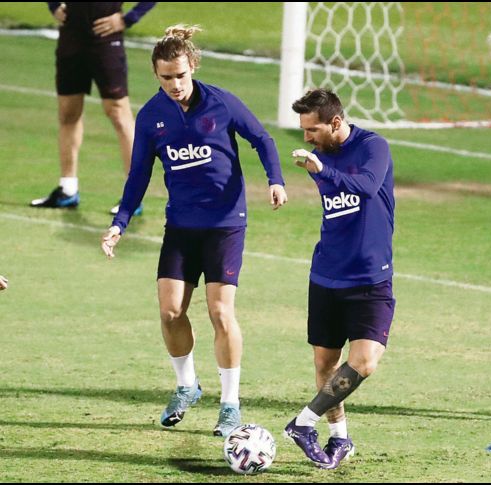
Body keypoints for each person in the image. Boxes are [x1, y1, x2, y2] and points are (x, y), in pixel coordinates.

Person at [100, 25, 287, 438]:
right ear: (156, 75)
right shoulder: (151, 116)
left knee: (220, 312)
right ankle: (187, 386)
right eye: (166, 77)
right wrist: (119, 223)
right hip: (181, 227)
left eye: (181, 75)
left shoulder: (222, 102)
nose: (175, 84)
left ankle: (230, 405)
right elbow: (138, 175)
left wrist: (275, 180)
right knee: (170, 312)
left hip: (225, 225)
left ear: (193, 67)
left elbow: (262, 139)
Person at [285, 89, 396, 469]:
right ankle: (339, 439)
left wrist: (322, 170)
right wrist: (320, 167)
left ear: (335, 122)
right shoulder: (321, 155)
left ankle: (303, 423)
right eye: (304, 130)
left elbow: (366, 186)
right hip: (326, 275)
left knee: (364, 362)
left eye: (312, 130)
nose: (307, 138)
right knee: (325, 365)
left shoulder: (373, 147)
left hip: (370, 278)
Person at [31, 2, 156, 215]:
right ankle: (68, 190)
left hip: (105, 37)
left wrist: (128, 18)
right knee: (68, 113)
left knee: (118, 112)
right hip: (71, 35)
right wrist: (54, 6)